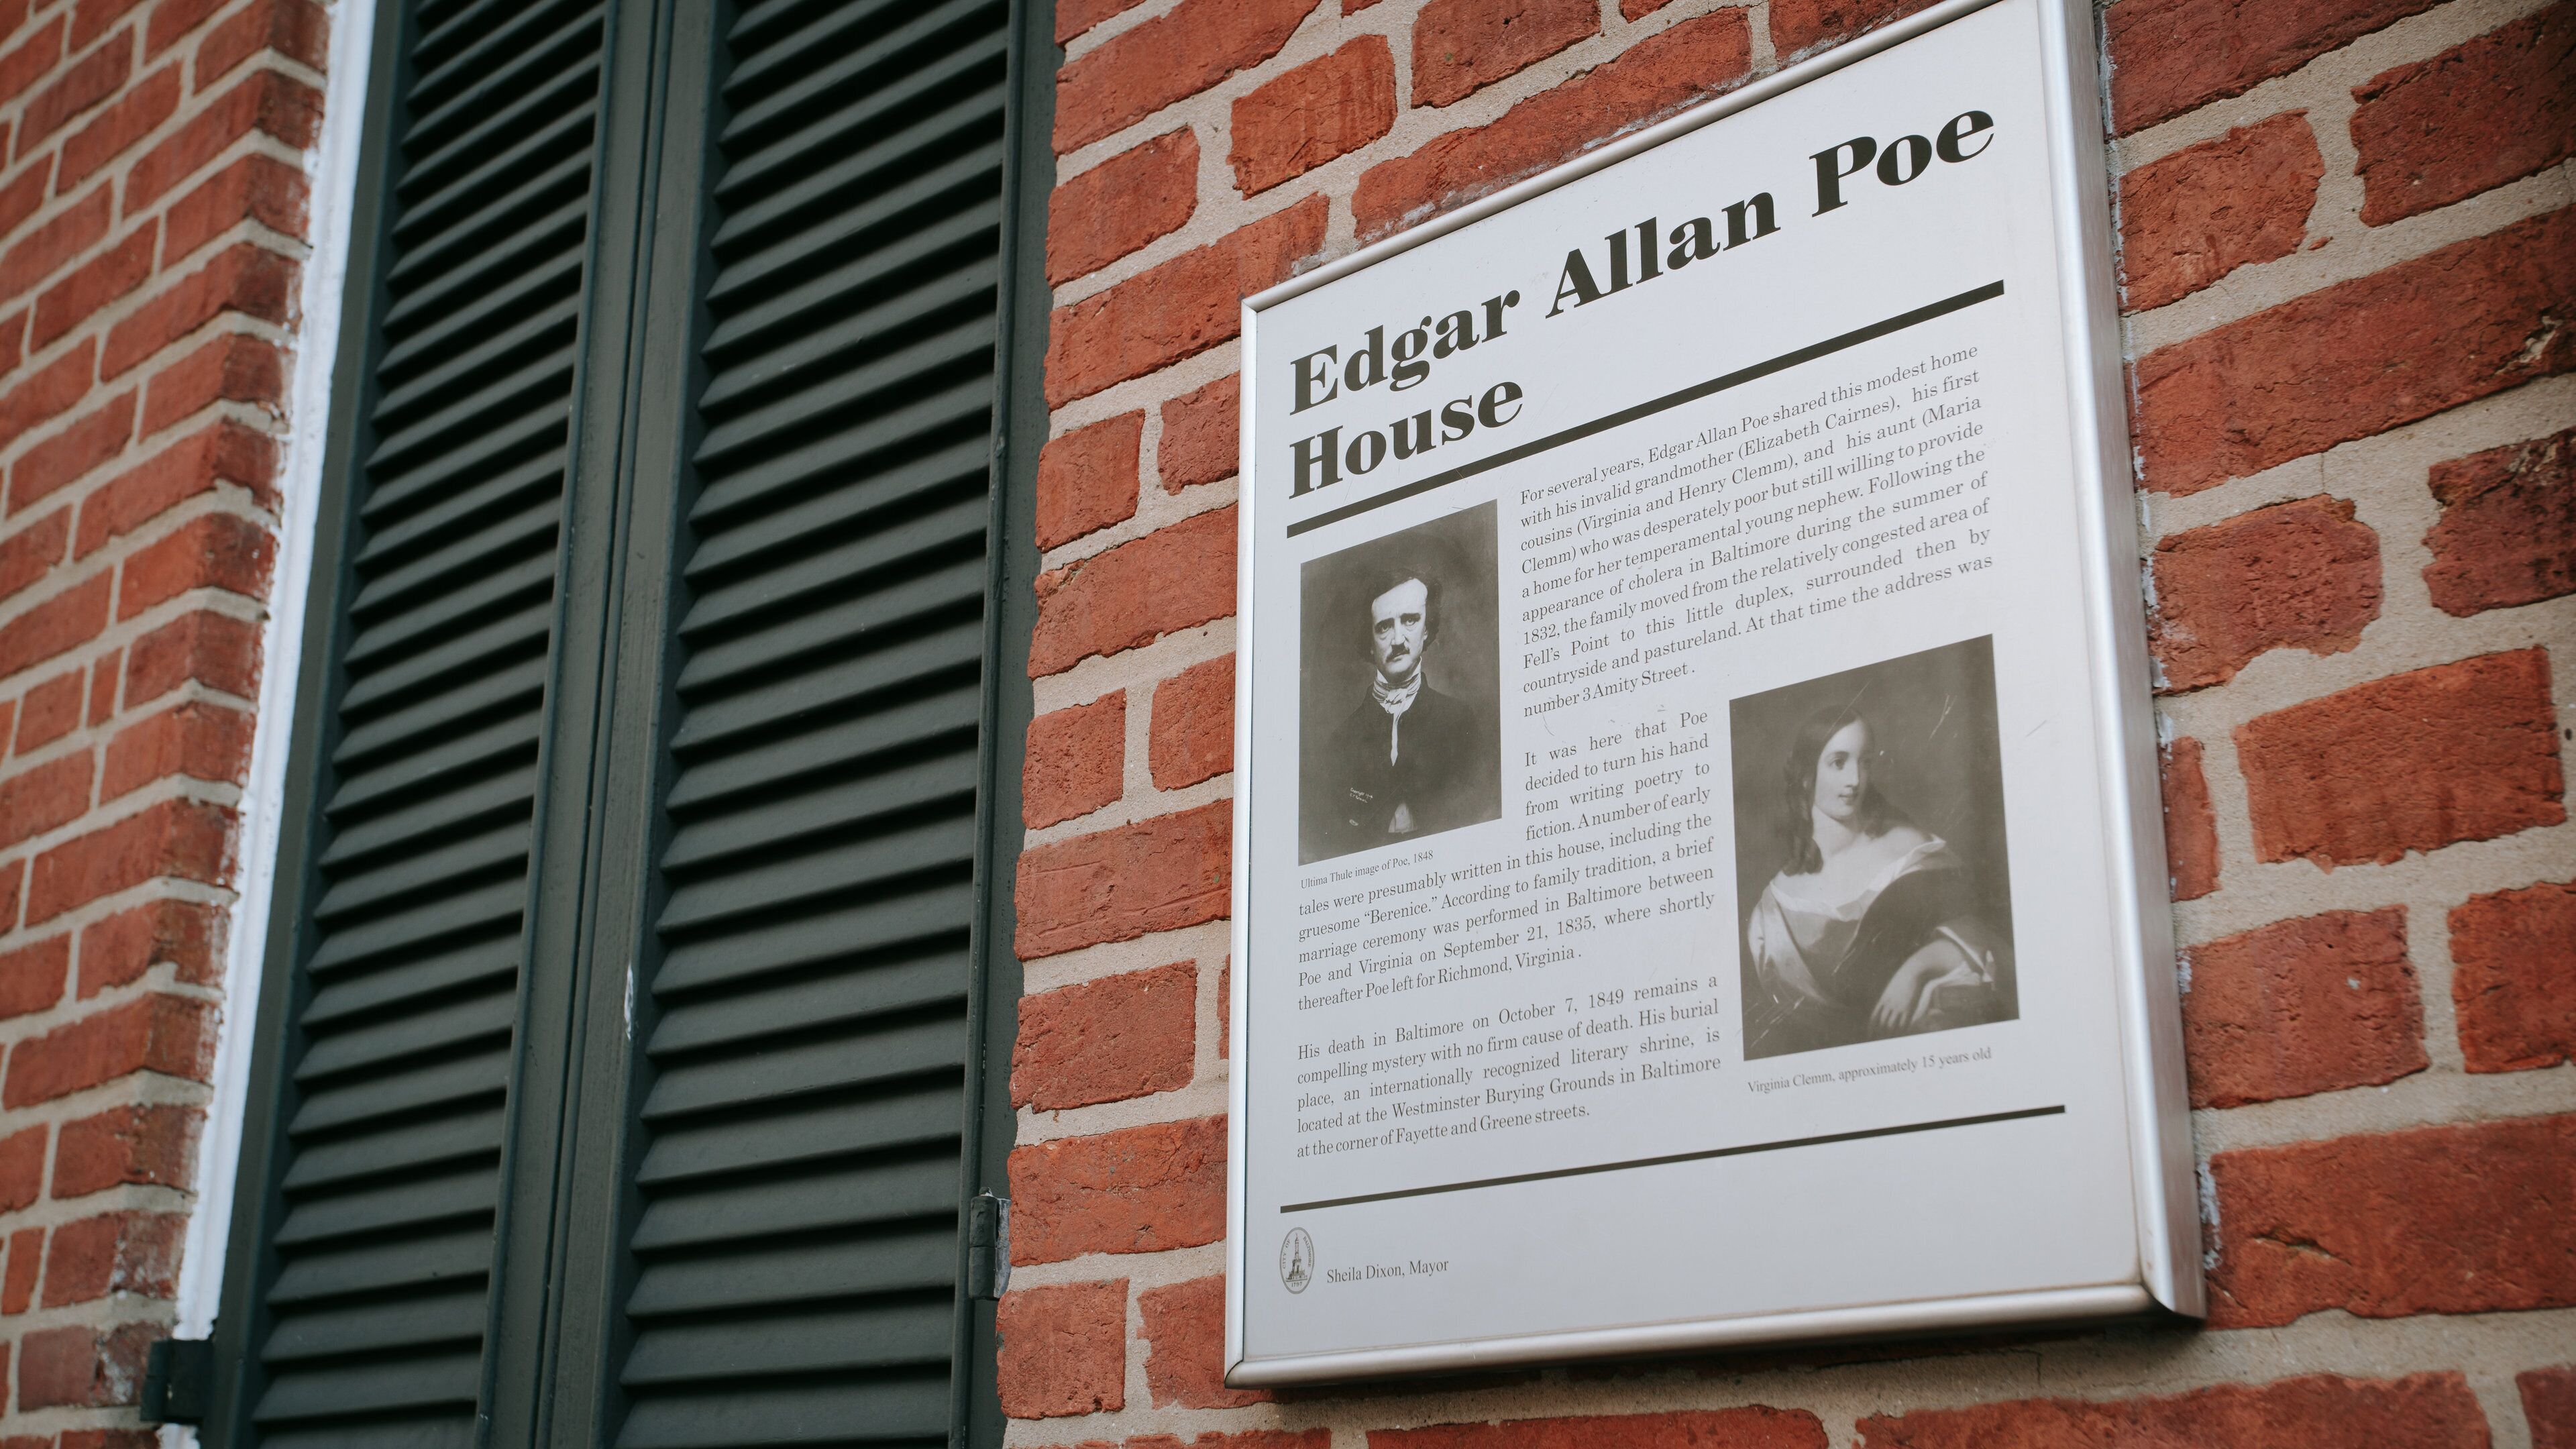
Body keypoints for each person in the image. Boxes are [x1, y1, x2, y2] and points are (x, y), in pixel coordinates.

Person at [1742, 703, 2010, 1058]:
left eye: (1865, 762)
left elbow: (1991, 946)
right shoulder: (1771, 915)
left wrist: (1918, 968)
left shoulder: (1912, 851)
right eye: (1839, 763)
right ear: (1807, 775)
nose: (1855, 780)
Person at [1307, 563, 1498, 857]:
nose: (1397, 640)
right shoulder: (1341, 741)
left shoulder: (1459, 721)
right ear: (1369, 642)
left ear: (1427, 629)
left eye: (1410, 621)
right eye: (1384, 627)